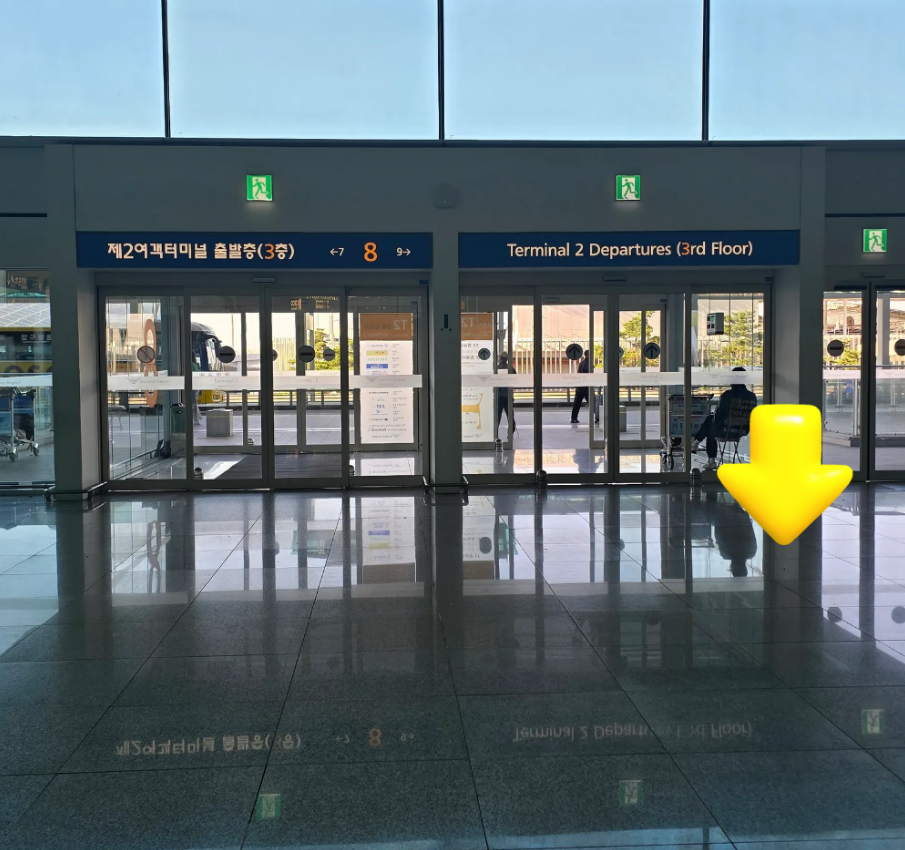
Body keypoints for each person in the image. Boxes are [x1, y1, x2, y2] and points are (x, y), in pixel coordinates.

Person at [691, 366, 758, 470]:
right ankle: (696, 443)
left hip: (726, 430)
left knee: (710, 425)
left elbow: (719, 415)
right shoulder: (752, 396)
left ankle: (707, 455)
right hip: (742, 431)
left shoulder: (728, 395)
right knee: (711, 422)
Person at [495, 352, 516, 439]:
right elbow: (514, 381)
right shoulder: (511, 369)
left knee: (497, 417)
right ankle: (510, 433)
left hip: (498, 396)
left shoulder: (496, 369)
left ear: (500, 358)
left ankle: (495, 433)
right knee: (510, 416)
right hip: (508, 396)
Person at [570, 349, 591, 424]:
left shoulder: (581, 363)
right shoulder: (588, 363)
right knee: (593, 403)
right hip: (586, 387)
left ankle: (574, 418)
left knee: (577, 403)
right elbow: (587, 374)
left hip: (580, 387)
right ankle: (598, 417)